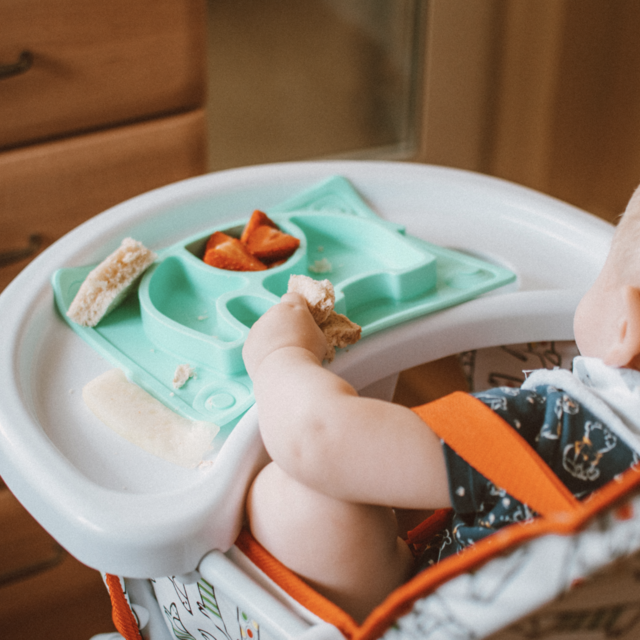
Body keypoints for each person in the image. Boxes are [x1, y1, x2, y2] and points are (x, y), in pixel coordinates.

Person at [242, 185, 640, 624]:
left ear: (627, 327)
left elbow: (317, 437)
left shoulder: (557, 426)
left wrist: (278, 355)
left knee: (292, 500)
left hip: (439, 622)